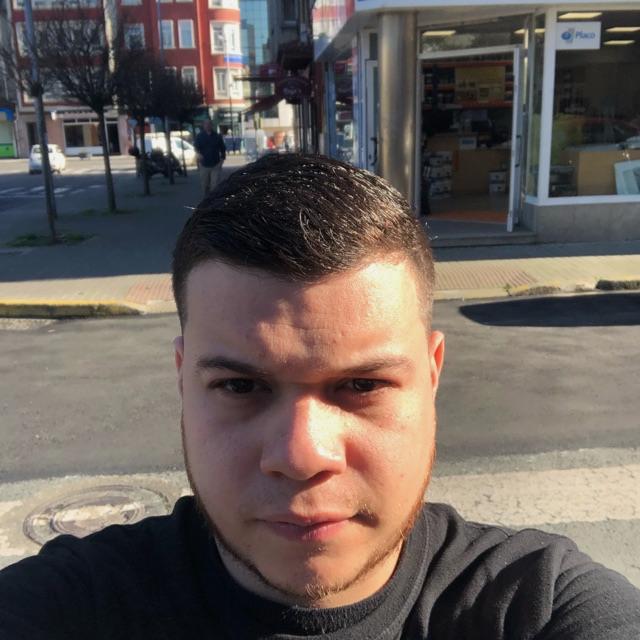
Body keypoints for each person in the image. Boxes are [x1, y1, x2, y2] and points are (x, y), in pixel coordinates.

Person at [1, 154, 639, 639]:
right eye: (240, 385)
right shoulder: (68, 606)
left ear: (432, 374)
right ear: (182, 380)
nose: (302, 456)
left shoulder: (538, 606)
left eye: (362, 384)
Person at [194, 119, 226, 196]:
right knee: (205, 185)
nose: (208, 126)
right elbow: (196, 148)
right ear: (203, 126)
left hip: (216, 164)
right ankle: (206, 198)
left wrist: (222, 160)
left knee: (215, 185)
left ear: (212, 125)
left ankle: (213, 200)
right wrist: (198, 154)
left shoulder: (217, 136)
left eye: (209, 124)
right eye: (206, 124)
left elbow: (223, 149)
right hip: (204, 164)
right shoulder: (199, 136)